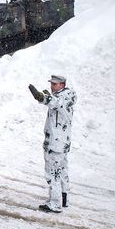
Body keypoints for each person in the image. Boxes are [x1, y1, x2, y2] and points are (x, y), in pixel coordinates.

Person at [28, 75, 77, 213]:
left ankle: (55, 204)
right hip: (63, 143)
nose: (52, 86)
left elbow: (55, 103)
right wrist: (49, 98)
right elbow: (56, 102)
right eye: (51, 83)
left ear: (62, 85)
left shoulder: (61, 99)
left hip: (55, 144)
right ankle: (64, 198)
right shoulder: (65, 97)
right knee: (62, 171)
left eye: (54, 84)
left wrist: (41, 97)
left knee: (53, 173)